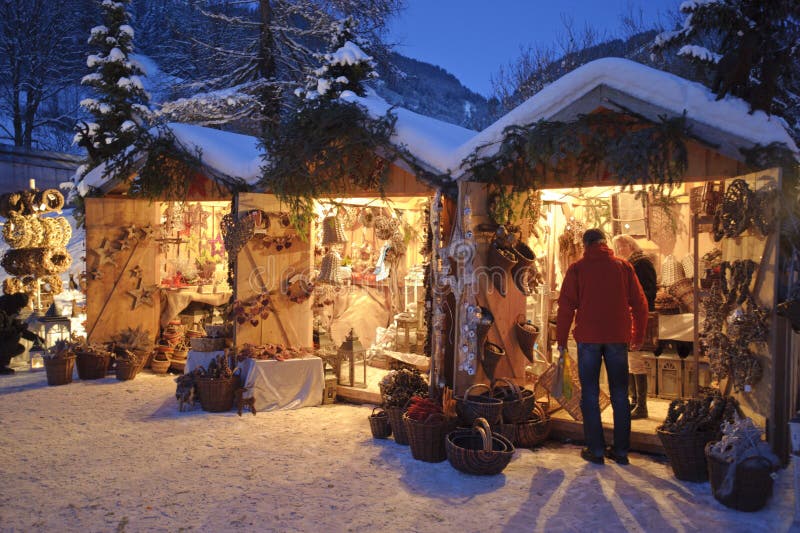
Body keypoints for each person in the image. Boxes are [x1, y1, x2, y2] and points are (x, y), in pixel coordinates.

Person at [556, 228, 648, 465]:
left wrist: (561, 342)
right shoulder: (623, 267)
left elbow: (565, 308)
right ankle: (621, 451)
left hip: (589, 339)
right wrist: (639, 334)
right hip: (618, 337)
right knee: (620, 393)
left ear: (585, 245)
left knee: (589, 394)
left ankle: (596, 450)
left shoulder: (577, 269)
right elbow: (640, 303)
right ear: (605, 243)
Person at [612, 234, 657, 420]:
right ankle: (634, 400)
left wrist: (628, 298)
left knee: (636, 359)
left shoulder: (641, 263)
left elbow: (648, 292)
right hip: (629, 314)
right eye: (618, 248)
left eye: (622, 247)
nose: (620, 251)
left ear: (631, 246)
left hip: (638, 314)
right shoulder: (628, 265)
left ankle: (641, 406)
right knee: (630, 359)